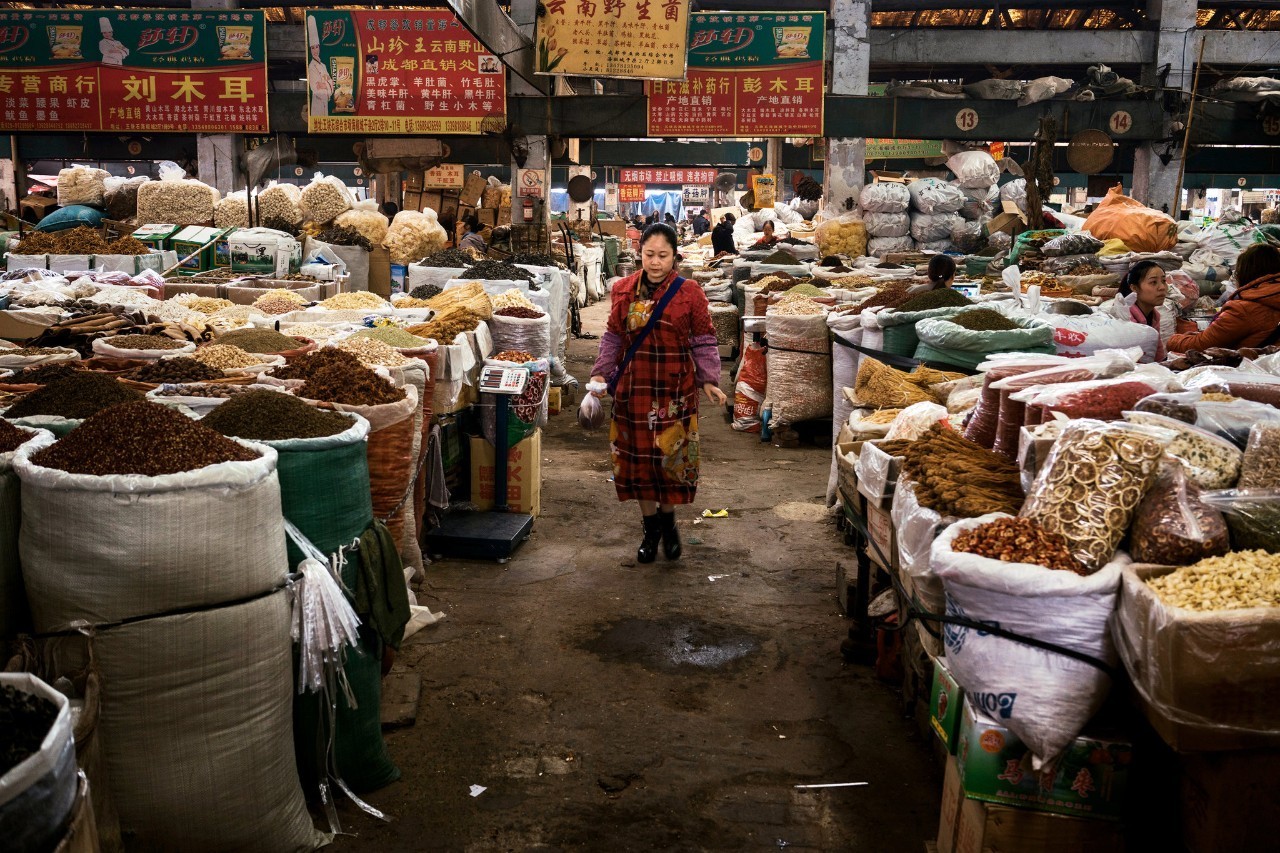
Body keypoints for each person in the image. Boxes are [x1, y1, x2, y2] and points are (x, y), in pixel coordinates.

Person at [590, 224, 728, 564]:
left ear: (674, 256)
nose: (655, 262)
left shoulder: (690, 292)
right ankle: (650, 529)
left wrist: (709, 379)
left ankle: (669, 524)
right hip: (633, 391)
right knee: (639, 464)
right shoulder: (623, 289)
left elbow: (703, 338)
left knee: (670, 463)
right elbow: (612, 337)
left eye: (662, 256)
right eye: (649, 255)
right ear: (640, 254)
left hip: (674, 393)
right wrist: (601, 372)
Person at [1167, 243, 1280, 352]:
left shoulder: (1243, 310)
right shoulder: (1266, 298)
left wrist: (1170, 340)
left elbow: (1200, 345)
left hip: (1254, 368)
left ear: (1245, 272)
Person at [1108, 260, 1169, 360]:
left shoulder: (1154, 316)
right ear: (1134, 288)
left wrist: (1170, 365)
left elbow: (1158, 356)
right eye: (1153, 282)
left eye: (1164, 281)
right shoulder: (1125, 318)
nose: (1162, 287)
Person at [306, 17, 334, 117]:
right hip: (317, 101)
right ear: (310, 50)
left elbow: (331, 83)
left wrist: (325, 84)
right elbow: (315, 86)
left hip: (325, 100)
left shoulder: (323, 65)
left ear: (319, 47)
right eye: (312, 48)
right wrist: (326, 83)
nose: (315, 50)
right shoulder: (311, 66)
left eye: (317, 47)